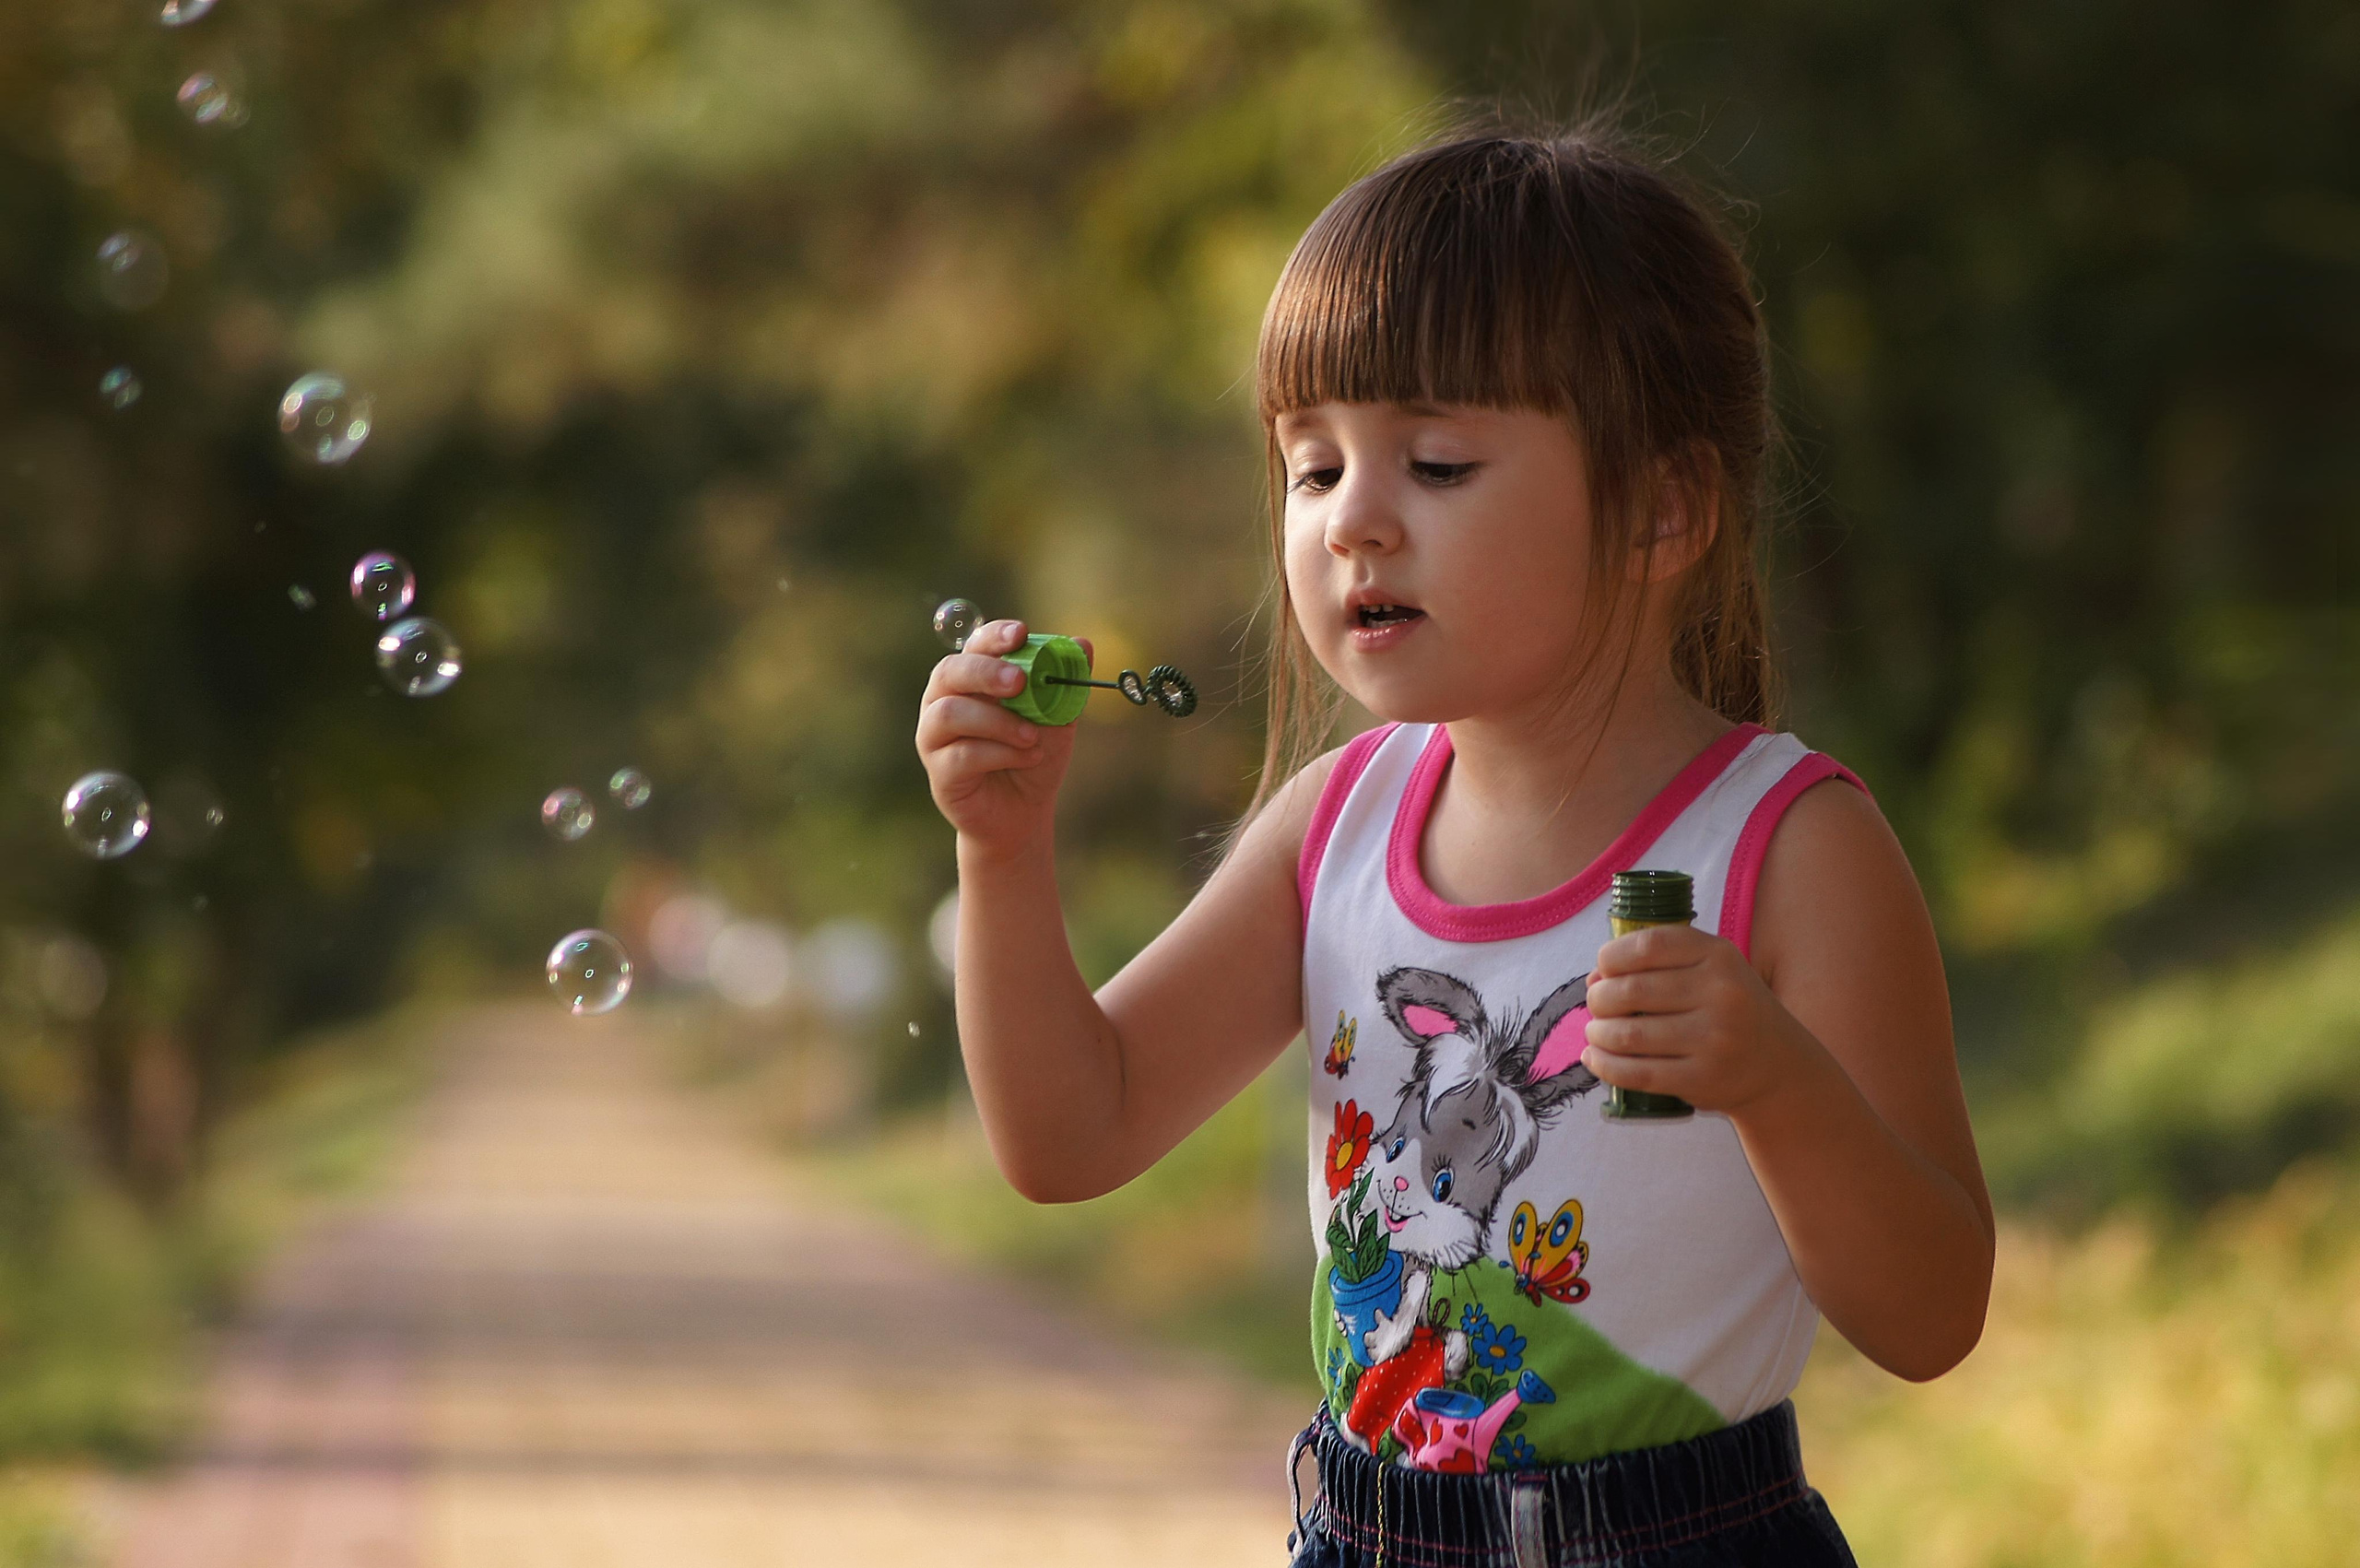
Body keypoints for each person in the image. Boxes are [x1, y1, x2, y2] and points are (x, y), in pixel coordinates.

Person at [914, 115, 1993, 1566]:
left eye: (1432, 460)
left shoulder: (1787, 848)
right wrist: (1002, 851)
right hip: (1369, 1533)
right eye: (1310, 469)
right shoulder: (1338, 823)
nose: (1354, 522)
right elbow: (1071, 1128)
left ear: (1662, 508)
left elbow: (1931, 1316)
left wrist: (1775, 1081)